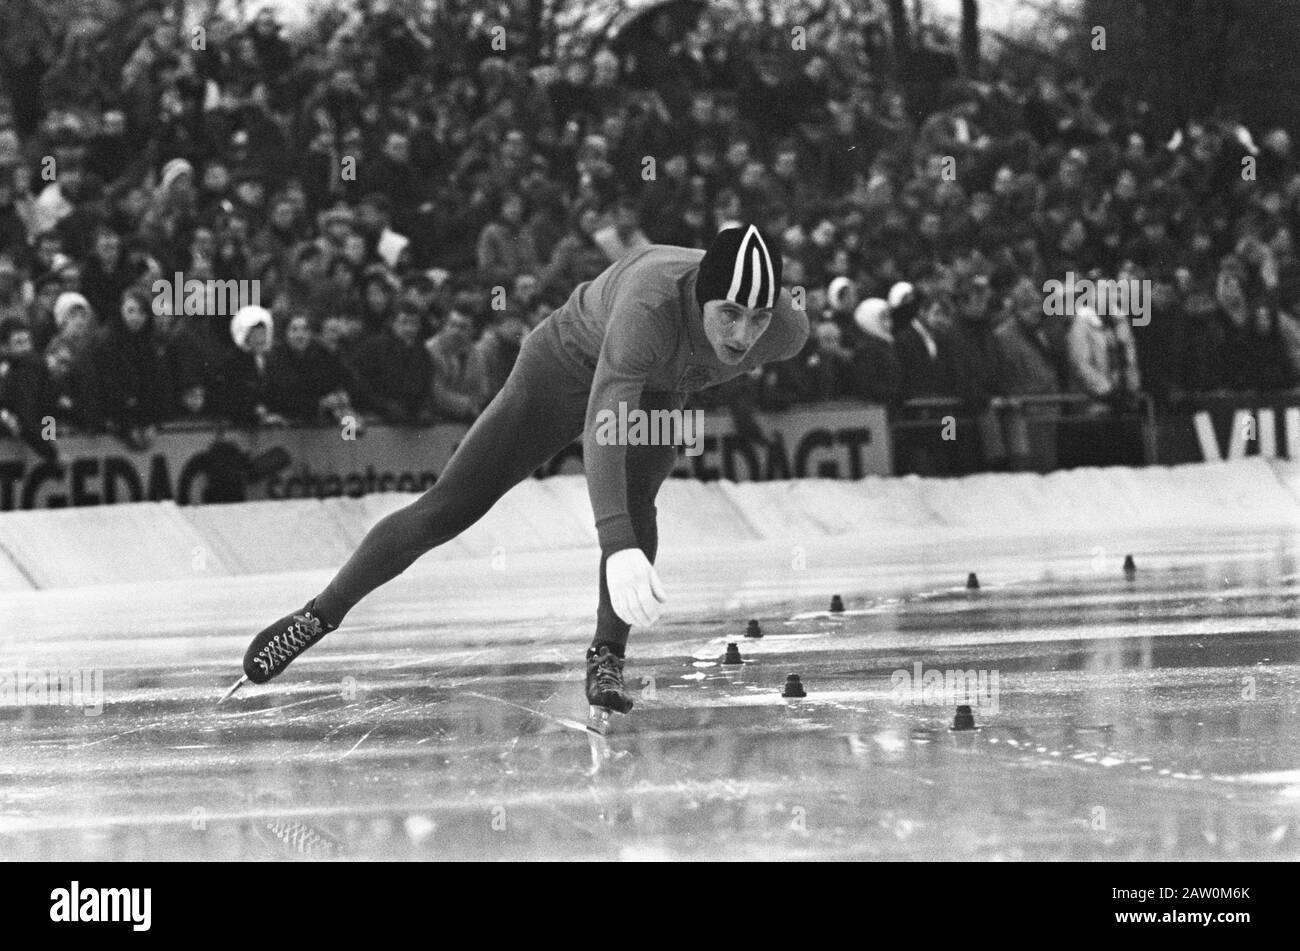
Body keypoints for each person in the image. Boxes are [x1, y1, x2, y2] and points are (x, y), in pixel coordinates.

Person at [223, 226, 808, 729]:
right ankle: (318, 614)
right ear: (701, 298)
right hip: (565, 366)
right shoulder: (649, 306)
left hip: (659, 388)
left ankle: (607, 655)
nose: (740, 335)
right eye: (728, 313)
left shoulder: (786, 330)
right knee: (452, 506)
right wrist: (617, 543)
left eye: (757, 318)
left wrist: (628, 528)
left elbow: (721, 361)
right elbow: (605, 423)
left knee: (639, 503)